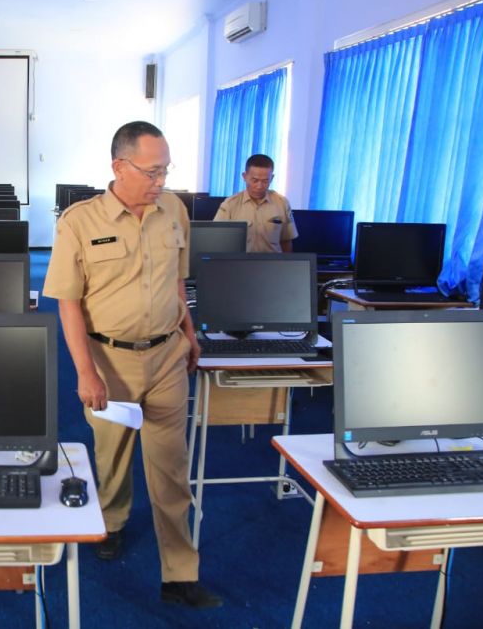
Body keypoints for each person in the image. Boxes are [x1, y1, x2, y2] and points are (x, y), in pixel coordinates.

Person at [43, 121, 222, 609]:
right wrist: (85, 372)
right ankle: (114, 521)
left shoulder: (175, 213)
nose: (161, 180)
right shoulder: (79, 222)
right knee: (113, 455)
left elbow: (177, 284)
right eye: (152, 170)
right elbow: (67, 303)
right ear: (119, 167)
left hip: (167, 356)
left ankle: (180, 572)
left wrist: (188, 335)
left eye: (166, 169)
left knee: (171, 468)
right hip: (110, 360)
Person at [213, 154, 297, 252]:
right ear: (244, 177)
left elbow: (286, 241)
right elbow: (216, 241)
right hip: (241, 265)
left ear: (272, 178)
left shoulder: (282, 203)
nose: (259, 186)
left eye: (265, 181)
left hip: (273, 265)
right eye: (255, 180)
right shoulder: (230, 204)